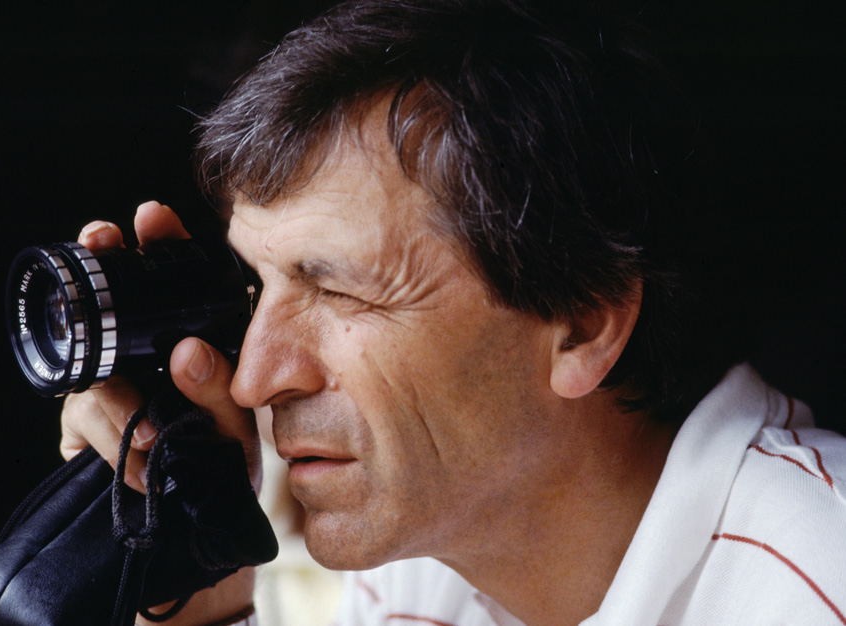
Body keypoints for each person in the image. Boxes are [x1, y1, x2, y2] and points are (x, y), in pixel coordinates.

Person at [60, 0, 846, 624]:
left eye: (337, 289)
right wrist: (200, 598)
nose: (253, 379)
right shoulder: (420, 578)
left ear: (581, 321)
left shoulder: (823, 580)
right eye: (259, 288)